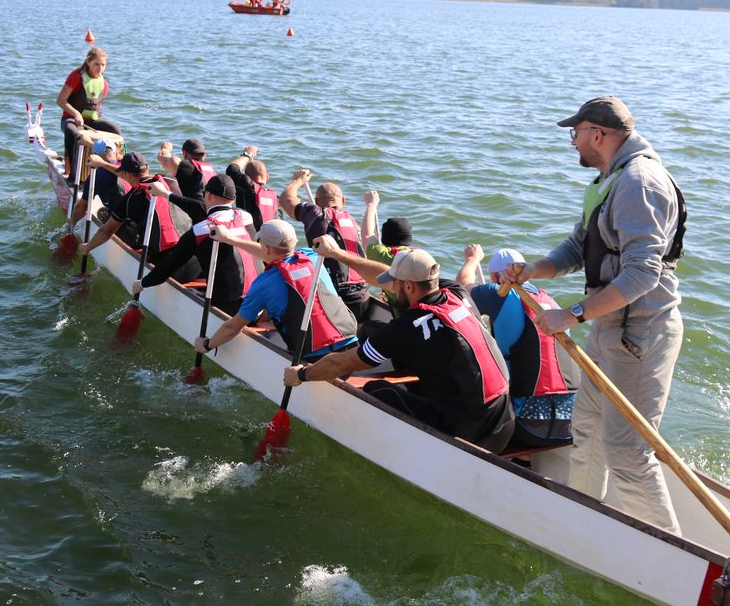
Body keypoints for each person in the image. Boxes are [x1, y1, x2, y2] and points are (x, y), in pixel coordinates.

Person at [501, 96, 686, 533]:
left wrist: (572, 314)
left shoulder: (639, 183)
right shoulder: (611, 179)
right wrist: (534, 269)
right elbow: (578, 246)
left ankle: (668, 551)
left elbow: (643, 273)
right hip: (609, 327)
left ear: (598, 135)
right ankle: (582, 519)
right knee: (585, 425)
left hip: (639, 335)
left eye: (577, 133)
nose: (573, 142)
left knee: (627, 451)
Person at [281, 249, 515, 454]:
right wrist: (337, 254)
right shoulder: (457, 293)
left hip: (471, 435)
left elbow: (341, 364)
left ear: (409, 286)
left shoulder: (406, 328)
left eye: (395, 284)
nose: (391, 288)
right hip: (505, 422)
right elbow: (386, 278)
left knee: (377, 389)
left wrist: (301, 375)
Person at [458, 245, 579, 448]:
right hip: (572, 425)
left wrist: (473, 259)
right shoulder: (551, 303)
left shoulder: (500, 292)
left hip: (530, 426)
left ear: (495, 277)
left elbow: (461, 287)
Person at [194, 219, 358, 361]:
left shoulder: (264, 283)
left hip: (314, 358)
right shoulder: (313, 256)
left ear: (266, 248)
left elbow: (232, 328)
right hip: (351, 344)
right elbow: (272, 254)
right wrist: (229, 239)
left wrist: (207, 345)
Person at [133, 175, 258, 316]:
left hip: (229, 307)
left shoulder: (200, 231)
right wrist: (165, 194)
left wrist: (143, 283)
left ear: (208, 195)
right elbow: (196, 207)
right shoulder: (245, 217)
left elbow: (168, 267)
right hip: (257, 299)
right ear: (233, 199)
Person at [77, 152, 200, 282]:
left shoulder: (131, 199)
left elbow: (105, 232)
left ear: (127, 174)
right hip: (194, 261)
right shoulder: (170, 181)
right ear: (148, 168)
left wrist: (87, 247)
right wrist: (102, 164)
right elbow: (134, 176)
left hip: (168, 268)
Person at [280, 170, 371, 321]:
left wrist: (298, 181)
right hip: (362, 295)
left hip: (337, 296)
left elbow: (285, 199)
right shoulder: (352, 221)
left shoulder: (316, 214)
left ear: (316, 201)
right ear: (343, 200)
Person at [56, 47, 122, 182]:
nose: (100, 68)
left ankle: (111, 171)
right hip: (71, 120)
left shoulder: (104, 83)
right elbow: (60, 100)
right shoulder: (76, 77)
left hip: (92, 122)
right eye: (96, 64)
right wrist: (76, 114)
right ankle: (73, 174)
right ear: (88, 62)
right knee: (75, 133)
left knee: (115, 130)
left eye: (103, 65)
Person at [360, 189, 414, 317]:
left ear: (385, 239)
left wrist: (371, 205)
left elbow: (367, 235)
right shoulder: (418, 257)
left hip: (405, 321)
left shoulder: (385, 256)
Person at [67, 138, 126, 230]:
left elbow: (81, 207)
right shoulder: (129, 165)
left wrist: (71, 224)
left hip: (117, 224)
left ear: (94, 156)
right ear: (116, 151)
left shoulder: (97, 175)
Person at [226, 145, 280, 229]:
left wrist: (248, 154)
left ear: (246, 176)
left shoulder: (247, 186)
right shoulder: (276, 199)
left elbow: (232, 169)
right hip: (269, 236)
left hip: (247, 234)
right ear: (268, 177)